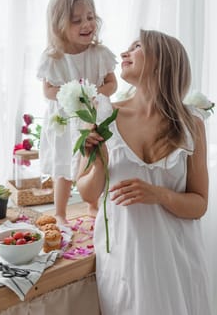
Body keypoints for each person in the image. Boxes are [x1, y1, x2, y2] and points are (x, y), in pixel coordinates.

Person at [76, 29, 212, 314]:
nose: (124, 53)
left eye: (137, 46)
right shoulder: (103, 115)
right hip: (126, 265)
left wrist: (159, 194)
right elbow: (89, 194)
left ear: (163, 62)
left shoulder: (192, 125)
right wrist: (98, 160)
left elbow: (199, 204)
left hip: (179, 261)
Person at [37, 0, 117, 224]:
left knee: (93, 161)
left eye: (90, 17)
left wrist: (92, 95)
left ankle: (93, 203)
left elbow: (112, 83)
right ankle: (60, 213)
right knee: (63, 166)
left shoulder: (99, 53)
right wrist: (72, 97)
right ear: (60, 25)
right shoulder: (54, 58)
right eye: (77, 20)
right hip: (65, 119)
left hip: (93, 117)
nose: (86, 24)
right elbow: (48, 90)